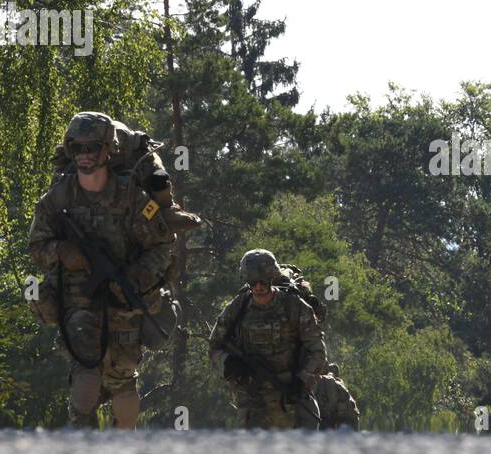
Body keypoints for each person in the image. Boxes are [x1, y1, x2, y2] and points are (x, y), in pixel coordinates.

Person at [28, 112, 175, 429]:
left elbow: (162, 246)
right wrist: (62, 251)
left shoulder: (132, 199)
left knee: (123, 382)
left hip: (124, 301)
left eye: (92, 147)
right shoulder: (57, 200)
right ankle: (82, 451)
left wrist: (135, 279)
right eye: (77, 148)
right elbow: (36, 247)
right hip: (77, 301)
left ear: (108, 149)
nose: (84, 155)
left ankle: (122, 452)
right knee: (85, 382)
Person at [209, 249, 327, 430]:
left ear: (272, 278)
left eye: (263, 281)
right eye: (252, 282)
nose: (258, 286)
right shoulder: (237, 308)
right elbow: (215, 346)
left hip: (291, 396)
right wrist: (229, 364)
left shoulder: (293, 306)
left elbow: (317, 351)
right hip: (252, 400)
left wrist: (302, 380)